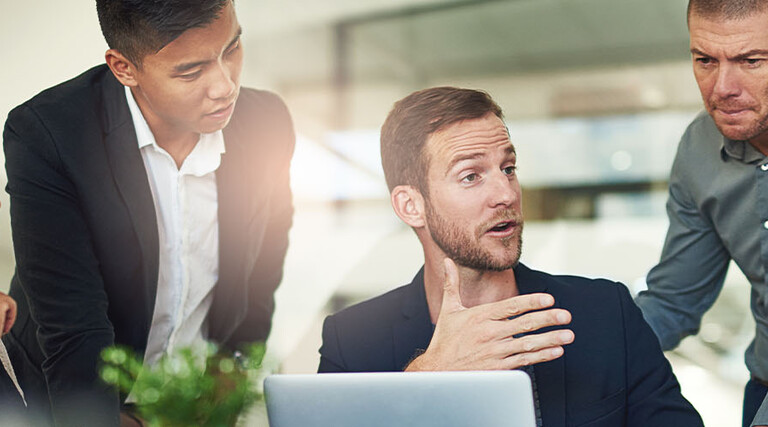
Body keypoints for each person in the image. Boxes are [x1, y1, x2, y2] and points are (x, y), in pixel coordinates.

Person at [318, 87, 703, 426]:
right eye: (471, 176)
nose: (506, 193)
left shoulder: (605, 313)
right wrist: (425, 379)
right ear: (411, 205)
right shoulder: (352, 341)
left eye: (508, 168)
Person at [0, 0, 295, 425]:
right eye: (191, 71)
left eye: (231, 48)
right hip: (60, 402)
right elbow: (72, 327)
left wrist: (215, 407)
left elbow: (259, 284)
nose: (225, 85)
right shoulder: (49, 134)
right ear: (124, 68)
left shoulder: (268, 122)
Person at [633, 1, 768, 426]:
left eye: (751, 61)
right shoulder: (699, 149)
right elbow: (674, 301)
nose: (722, 87)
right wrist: (554, 351)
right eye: (705, 60)